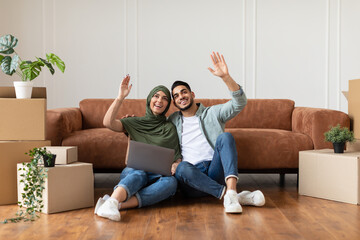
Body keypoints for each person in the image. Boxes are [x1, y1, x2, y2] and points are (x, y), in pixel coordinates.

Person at [169, 52, 265, 213]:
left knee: (225, 137)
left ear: (192, 94)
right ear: (174, 102)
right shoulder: (172, 120)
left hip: (215, 170)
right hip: (191, 178)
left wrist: (225, 77)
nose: (181, 97)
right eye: (177, 96)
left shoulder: (213, 113)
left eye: (184, 92)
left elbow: (239, 103)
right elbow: (154, 131)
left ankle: (232, 192)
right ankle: (234, 196)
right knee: (182, 167)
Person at [95, 75, 182, 221]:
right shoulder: (134, 122)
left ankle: (114, 204)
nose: (160, 100)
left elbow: (176, 156)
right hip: (134, 172)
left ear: (167, 105)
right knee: (140, 174)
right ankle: (113, 202)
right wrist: (120, 97)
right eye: (156, 96)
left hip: (158, 176)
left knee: (172, 183)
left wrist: (176, 163)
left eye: (165, 98)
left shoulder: (169, 128)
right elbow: (108, 122)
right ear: (150, 99)